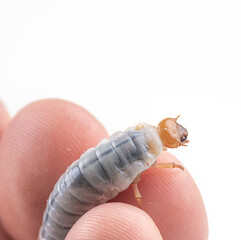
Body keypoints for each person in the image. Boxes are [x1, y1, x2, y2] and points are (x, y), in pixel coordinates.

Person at [0, 99, 208, 240]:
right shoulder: (147, 154)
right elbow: (138, 180)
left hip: (69, 193)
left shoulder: (140, 137)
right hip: (68, 201)